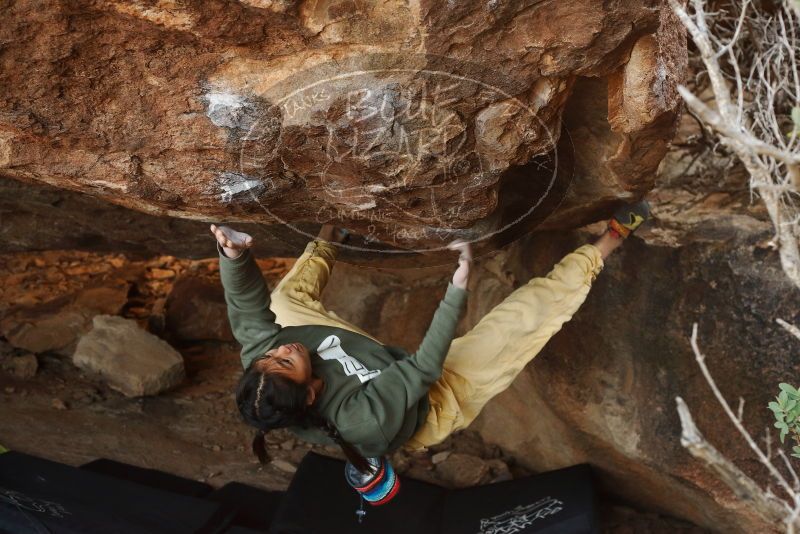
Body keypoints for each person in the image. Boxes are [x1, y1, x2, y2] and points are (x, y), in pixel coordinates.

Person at [211, 201, 650, 467]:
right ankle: (609, 239)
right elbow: (422, 369)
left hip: (366, 365)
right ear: (308, 395)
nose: (283, 349)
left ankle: (333, 232)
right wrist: (457, 287)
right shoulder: (361, 419)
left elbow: (247, 309)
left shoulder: (268, 362)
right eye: (286, 362)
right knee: (524, 319)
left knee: (281, 302)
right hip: (432, 398)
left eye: (270, 358)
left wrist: (232, 254)